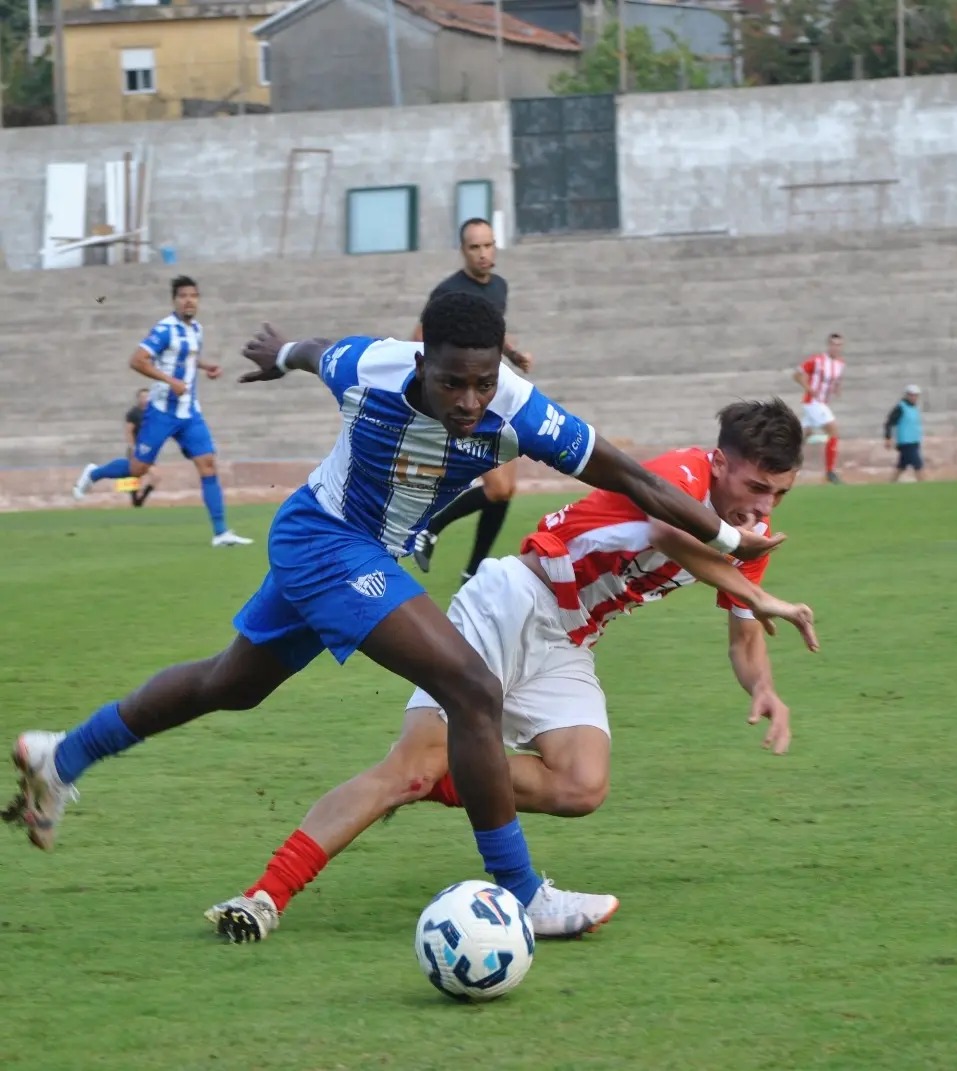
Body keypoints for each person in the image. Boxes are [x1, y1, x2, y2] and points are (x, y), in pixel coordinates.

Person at [6, 292, 781, 942]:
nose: (471, 402)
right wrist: (279, 355)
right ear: (421, 364)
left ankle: (62, 754)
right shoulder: (370, 367)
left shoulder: (521, 411)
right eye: (453, 383)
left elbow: (637, 480)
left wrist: (730, 539)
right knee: (471, 688)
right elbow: (317, 352)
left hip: (359, 556)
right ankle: (519, 892)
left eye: (484, 383)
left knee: (228, 683)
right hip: (322, 537)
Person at [204, 399, 815, 944]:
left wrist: (764, 686)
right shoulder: (685, 472)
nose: (764, 506)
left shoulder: (747, 538)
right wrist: (746, 573)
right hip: (514, 600)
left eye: (779, 494)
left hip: (568, 639)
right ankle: (263, 897)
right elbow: (665, 527)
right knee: (406, 771)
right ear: (720, 461)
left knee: (582, 786)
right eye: (757, 485)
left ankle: (452, 774)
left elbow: (744, 638)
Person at [72, 275, 251, 547]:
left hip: (189, 412)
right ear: (174, 300)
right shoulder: (165, 328)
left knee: (208, 464)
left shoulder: (196, 329)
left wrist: (206, 367)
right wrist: (170, 381)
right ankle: (94, 474)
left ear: (198, 300)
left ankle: (221, 533)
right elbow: (137, 360)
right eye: (183, 296)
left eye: (193, 295)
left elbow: (186, 357)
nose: (188, 300)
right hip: (161, 412)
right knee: (138, 469)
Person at [411, 218, 532, 582]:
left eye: (488, 245)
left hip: (494, 393)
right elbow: (418, 340)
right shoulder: (449, 292)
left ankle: (473, 570)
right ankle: (431, 526)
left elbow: (493, 329)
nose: (483, 253)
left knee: (505, 491)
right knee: (496, 488)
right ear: (463, 251)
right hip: (465, 400)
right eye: (474, 247)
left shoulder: (499, 286)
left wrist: (511, 353)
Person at [793, 332, 845, 484]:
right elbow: (797, 374)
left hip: (822, 403)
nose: (836, 348)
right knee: (834, 431)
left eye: (839, 345)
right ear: (828, 345)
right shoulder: (818, 361)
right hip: (813, 402)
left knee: (802, 436)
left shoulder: (840, 364)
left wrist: (836, 389)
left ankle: (784, 463)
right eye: (833, 344)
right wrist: (808, 387)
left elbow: (837, 380)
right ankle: (830, 472)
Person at [123, 388, 158, 507]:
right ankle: (135, 501)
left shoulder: (152, 411)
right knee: (136, 477)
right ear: (138, 398)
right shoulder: (133, 413)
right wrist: (132, 447)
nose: (145, 399)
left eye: (147, 397)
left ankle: (140, 499)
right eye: (143, 397)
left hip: (147, 449)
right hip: (136, 449)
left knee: (156, 476)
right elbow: (129, 431)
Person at [884, 384, 925, 482]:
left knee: (901, 466)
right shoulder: (900, 408)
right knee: (918, 465)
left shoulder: (914, 408)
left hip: (914, 441)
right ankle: (924, 484)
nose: (914, 397)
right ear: (907, 395)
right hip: (906, 442)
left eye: (916, 395)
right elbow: (889, 423)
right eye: (912, 395)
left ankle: (890, 485)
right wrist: (888, 438)